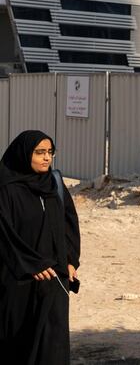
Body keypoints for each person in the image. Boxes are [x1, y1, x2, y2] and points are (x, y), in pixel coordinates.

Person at [0, 130, 81, 364]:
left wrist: (70, 259)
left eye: (50, 152)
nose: (46, 158)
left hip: (54, 278)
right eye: (40, 152)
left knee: (52, 342)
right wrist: (31, 263)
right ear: (24, 154)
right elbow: (5, 234)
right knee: (19, 340)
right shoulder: (7, 189)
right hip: (18, 280)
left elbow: (69, 223)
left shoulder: (53, 183)